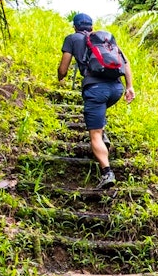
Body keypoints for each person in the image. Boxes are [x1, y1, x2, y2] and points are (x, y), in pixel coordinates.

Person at [57, 13, 135, 188]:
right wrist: (129, 86)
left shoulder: (72, 39)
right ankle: (103, 132)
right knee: (100, 113)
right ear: (91, 26)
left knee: (95, 134)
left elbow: (64, 68)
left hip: (95, 89)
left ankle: (107, 173)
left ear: (75, 26)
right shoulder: (105, 39)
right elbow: (125, 62)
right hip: (116, 88)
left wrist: (60, 76)